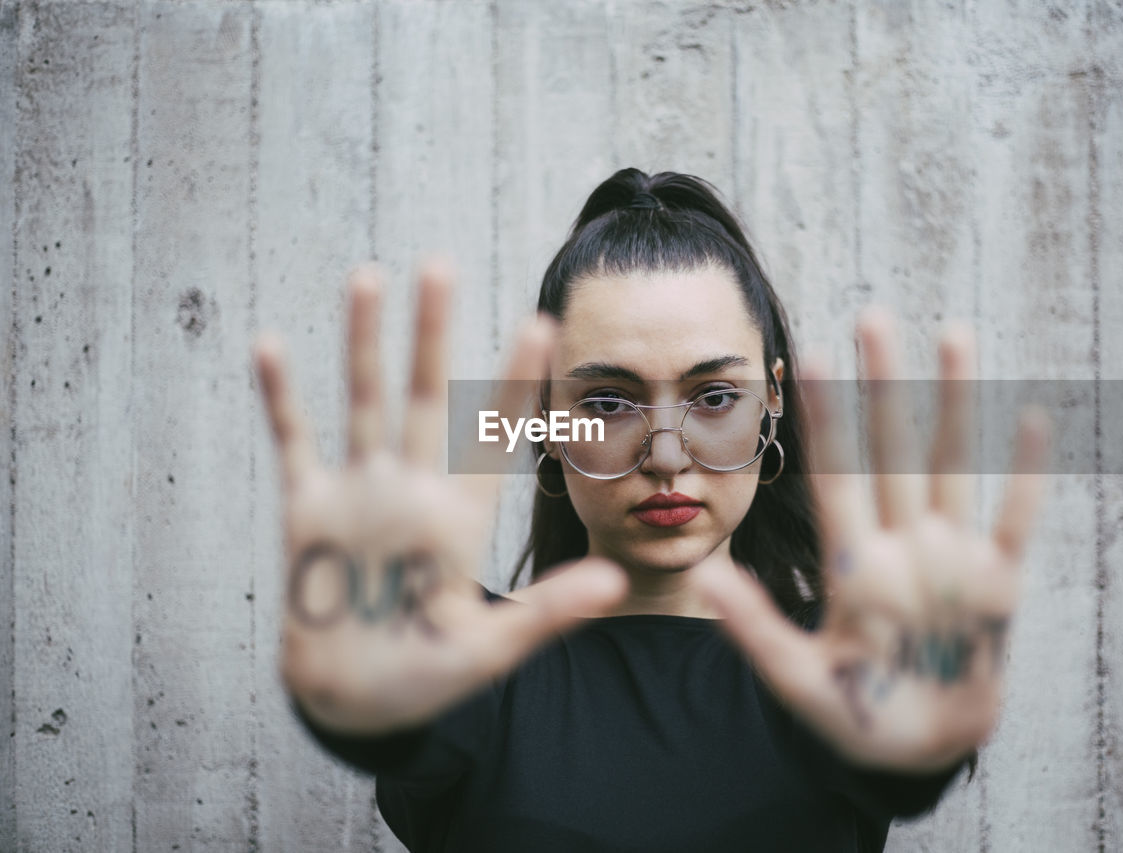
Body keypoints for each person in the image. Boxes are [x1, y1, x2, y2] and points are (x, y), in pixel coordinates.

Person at [252, 168, 1049, 852]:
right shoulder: (469, 654)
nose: (667, 456)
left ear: (773, 399)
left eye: (714, 396)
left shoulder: (841, 655)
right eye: (608, 401)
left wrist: (924, 725)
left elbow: (892, 752)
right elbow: (403, 717)